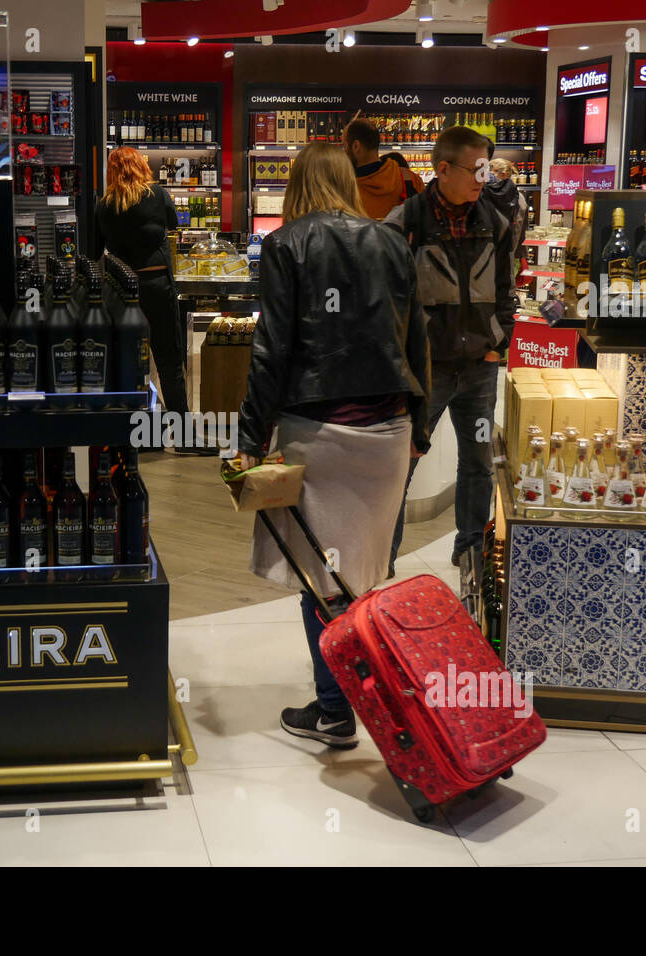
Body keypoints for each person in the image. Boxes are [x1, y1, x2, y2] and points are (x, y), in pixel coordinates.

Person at [237, 142, 431, 748]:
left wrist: (248, 436)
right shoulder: (391, 241)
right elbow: (415, 335)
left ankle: (336, 709)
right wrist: (420, 424)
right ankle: (365, 695)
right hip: (389, 432)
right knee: (366, 573)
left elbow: (271, 348)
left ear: (296, 182)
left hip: (318, 432)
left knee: (317, 574)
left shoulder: (285, 244)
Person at [385, 125, 516, 574]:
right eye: (475, 168)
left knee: (478, 462)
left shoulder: (495, 222)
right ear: (442, 168)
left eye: (487, 167)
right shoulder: (405, 222)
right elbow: (385, 299)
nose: (484, 177)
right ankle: (382, 559)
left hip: (480, 367)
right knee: (399, 468)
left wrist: (499, 341)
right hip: (425, 371)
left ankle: (471, 553)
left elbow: (506, 289)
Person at [93, 146, 193, 430]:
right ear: (141, 167)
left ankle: (137, 427)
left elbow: (94, 250)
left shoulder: (104, 204)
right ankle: (184, 434)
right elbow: (173, 222)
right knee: (169, 359)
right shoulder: (157, 195)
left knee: (128, 357)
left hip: (122, 290)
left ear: (111, 171)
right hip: (157, 285)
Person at [343, 118, 423, 220]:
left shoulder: (344, 189)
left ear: (356, 146)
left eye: (344, 146)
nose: (344, 152)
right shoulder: (410, 179)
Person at [484, 157, 530, 266]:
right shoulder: (519, 198)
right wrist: (521, 256)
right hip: (509, 255)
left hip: (486, 256)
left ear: (503, 174)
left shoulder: (483, 194)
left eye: (491, 172)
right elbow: (522, 232)